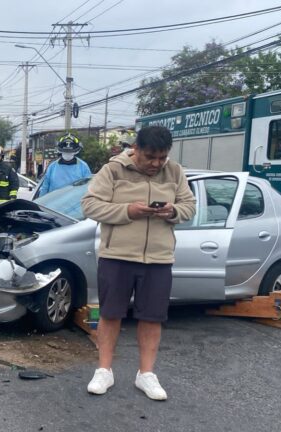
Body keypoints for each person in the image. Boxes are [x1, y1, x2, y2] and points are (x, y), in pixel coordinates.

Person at [81, 125, 196, 401]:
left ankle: (146, 374)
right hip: (116, 256)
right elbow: (89, 205)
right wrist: (127, 211)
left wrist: (173, 211)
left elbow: (190, 207)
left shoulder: (175, 172)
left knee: (152, 317)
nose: (156, 164)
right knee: (110, 314)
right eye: (150, 157)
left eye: (162, 158)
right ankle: (104, 370)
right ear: (136, 149)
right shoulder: (113, 170)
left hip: (158, 258)